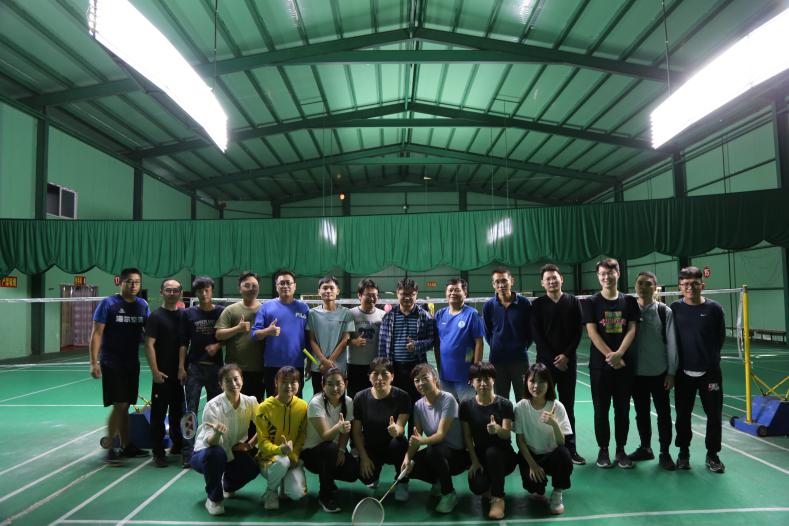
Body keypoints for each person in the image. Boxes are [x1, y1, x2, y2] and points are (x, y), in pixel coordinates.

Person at [89, 267, 151, 465]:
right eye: (129, 282)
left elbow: (150, 332)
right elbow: (97, 334)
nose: (133, 285)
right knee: (120, 404)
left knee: (125, 405)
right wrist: (93, 362)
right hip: (112, 362)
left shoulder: (142, 305)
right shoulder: (108, 304)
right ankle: (110, 447)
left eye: (137, 282)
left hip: (132, 362)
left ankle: (126, 445)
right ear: (120, 282)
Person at [582, 257, 639, 469]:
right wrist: (610, 356)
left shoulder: (629, 301)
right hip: (600, 366)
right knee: (601, 410)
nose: (607, 277)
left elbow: (632, 329)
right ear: (598, 277)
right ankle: (603, 449)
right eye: (603, 274)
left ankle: (621, 450)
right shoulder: (590, 302)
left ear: (618, 274)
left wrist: (620, 353)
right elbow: (592, 332)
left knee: (622, 410)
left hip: (624, 365)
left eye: (610, 273)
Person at [671, 266, 726, 473]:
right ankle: (683, 453)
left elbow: (720, 338)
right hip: (683, 373)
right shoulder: (674, 308)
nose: (690, 288)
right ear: (680, 286)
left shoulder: (715, 309)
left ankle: (712, 455)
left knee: (714, 415)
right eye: (685, 284)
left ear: (702, 285)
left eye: (694, 284)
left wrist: (708, 359)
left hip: (710, 373)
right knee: (683, 415)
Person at [531, 264, 585, 465]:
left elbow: (578, 332)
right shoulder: (538, 305)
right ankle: (544, 447)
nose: (552, 281)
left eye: (555, 277)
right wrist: (555, 359)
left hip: (568, 364)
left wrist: (566, 356)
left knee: (567, 407)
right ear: (542, 283)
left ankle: (571, 448)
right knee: (543, 406)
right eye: (548, 279)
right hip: (545, 366)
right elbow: (537, 335)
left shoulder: (573, 302)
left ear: (561, 279)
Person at [190, 364, 259, 516]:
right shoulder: (212, 406)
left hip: (232, 451)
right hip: (206, 454)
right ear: (221, 385)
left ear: (242, 380)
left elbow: (264, 426)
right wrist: (216, 433)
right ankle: (214, 499)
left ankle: (227, 485)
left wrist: (249, 445)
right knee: (216, 454)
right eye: (227, 381)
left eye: (236, 379)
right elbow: (211, 443)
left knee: (254, 468)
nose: (233, 384)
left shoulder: (251, 402)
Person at [401, 363, 469, 514]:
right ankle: (438, 480)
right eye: (417, 380)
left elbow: (440, 435)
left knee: (433, 450)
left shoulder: (448, 399)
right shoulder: (418, 405)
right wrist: (407, 458)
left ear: (435, 378)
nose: (421, 383)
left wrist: (422, 441)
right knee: (411, 465)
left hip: (457, 456)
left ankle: (449, 493)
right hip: (438, 452)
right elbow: (416, 436)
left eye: (425, 378)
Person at [628, 272, 679, 470]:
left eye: (648, 284)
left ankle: (665, 453)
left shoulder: (665, 311)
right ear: (635, 286)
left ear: (655, 287)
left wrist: (671, 372)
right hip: (636, 374)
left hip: (660, 373)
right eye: (640, 283)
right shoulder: (629, 310)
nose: (643, 287)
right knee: (641, 414)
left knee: (664, 415)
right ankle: (645, 448)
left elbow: (672, 344)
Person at [514, 363, 574, 515]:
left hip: (552, 456)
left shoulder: (557, 406)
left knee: (563, 454)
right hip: (531, 456)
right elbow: (520, 441)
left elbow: (561, 442)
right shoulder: (520, 407)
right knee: (535, 490)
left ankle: (557, 493)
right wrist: (533, 465)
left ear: (549, 383)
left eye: (541, 381)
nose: (536, 386)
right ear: (526, 382)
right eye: (532, 381)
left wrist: (554, 424)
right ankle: (538, 488)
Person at [460, 362, 517, 520]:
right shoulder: (466, 406)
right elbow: (467, 437)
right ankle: (490, 485)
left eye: (487, 379)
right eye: (478, 380)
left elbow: (506, 435)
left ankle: (498, 498)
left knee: (493, 452)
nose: (483, 383)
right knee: (477, 486)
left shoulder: (505, 404)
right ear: (471, 382)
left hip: (503, 456)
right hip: (480, 457)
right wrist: (474, 461)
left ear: (494, 380)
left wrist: (498, 429)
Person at [301, 368, 360, 513]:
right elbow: (326, 436)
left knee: (353, 472)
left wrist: (342, 450)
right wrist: (339, 427)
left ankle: (328, 477)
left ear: (346, 384)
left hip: (332, 450)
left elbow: (346, 431)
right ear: (323, 385)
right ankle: (324, 496)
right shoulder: (316, 403)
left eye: (339, 384)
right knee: (329, 448)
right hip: (311, 454)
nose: (335, 388)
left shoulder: (348, 402)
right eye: (330, 384)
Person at [351, 357, 410, 501]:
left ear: (392, 376)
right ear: (369, 376)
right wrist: (364, 457)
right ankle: (375, 475)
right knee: (365, 476)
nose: (379, 378)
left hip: (392, 447)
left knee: (399, 443)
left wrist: (396, 430)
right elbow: (357, 432)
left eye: (385, 373)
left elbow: (401, 427)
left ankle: (402, 481)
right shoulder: (360, 397)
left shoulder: (402, 396)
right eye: (375, 373)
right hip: (372, 446)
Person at [182, 276, 225, 465]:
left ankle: (212, 446)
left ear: (212, 291)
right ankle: (188, 452)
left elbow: (229, 336)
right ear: (196, 293)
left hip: (216, 369)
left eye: (207, 289)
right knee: (190, 411)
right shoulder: (189, 313)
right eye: (200, 290)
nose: (204, 293)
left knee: (215, 410)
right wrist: (181, 367)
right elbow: (183, 343)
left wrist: (218, 345)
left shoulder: (221, 312)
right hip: (194, 368)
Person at [144, 279, 186, 467]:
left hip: (179, 375)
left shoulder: (184, 315)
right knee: (159, 415)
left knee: (178, 412)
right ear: (162, 292)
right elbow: (149, 345)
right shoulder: (155, 317)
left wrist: (182, 368)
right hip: (162, 375)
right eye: (168, 290)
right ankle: (158, 452)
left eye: (175, 290)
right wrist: (155, 372)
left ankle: (177, 445)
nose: (172, 293)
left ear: (180, 293)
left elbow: (184, 343)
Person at [254, 366, 308, 510]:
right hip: (270, 460)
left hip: (292, 459)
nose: (289, 386)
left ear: (299, 384)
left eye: (293, 382)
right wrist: (279, 450)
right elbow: (262, 443)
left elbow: (302, 436)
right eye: (284, 382)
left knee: (297, 493)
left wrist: (294, 455)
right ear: (276, 383)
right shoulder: (264, 408)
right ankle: (271, 491)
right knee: (282, 462)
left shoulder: (303, 406)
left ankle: (284, 483)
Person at [377, 278, 435, 412]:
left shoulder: (425, 316)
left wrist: (417, 346)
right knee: (394, 407)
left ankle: (415, 426)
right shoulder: (389, 317)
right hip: (394, 369)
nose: (407, 297)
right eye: (403, 294)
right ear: (397, 293)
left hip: (417, 369)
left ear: (416, 294)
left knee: (417, 406)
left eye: (411, 294)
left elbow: (432, 340)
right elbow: (382, 345)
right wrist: (383, 369)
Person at [252, 270, 309, 398]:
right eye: (282, 283)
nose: (285, 286)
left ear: (295, 286)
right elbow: (254, 334)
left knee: (296, 402)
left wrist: (309, 364)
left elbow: (308, 337)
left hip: (296, 364)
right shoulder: (266, 307)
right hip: (272, 365)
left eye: (288, 283)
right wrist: (268, 331)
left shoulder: (304, 308)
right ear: (276, 286)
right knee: (273, 402)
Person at [483, 267, 533, 402]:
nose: (501, 285)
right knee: (500, 400)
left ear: (512, 281)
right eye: (497, 282)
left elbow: (530, 331)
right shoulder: (488, 306)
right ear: (493, 284)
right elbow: (488, 332)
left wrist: (521, 347)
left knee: (524, 400)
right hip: (497, 361)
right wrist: (496, 346)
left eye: (504, 281)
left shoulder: (524, 303)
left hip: (520, 361)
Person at [216, 272, 265, 403]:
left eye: (254, 285)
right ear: (239, 288)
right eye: (247, 285)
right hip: (234, 370)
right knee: (233, 405)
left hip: (259, 369)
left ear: (259, 288)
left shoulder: (266, 310)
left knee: (256, 407)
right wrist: (237, 328)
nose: (251, 289)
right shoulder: (230, 310)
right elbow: (219, 334)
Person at [435, 278, 484, 402]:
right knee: (449, 409)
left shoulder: (472, 314)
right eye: (450, 290)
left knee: (467, 409)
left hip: (465, 376)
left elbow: (479, 342)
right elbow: (437, 343)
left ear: (465, 293)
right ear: (446, 293)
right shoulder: (440, 314)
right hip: (445, 375)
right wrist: (439, 368)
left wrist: (475, 372)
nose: (453, 293)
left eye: (457, 290)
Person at [306, 276, 355, 395]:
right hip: (319, 366)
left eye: (331, 288)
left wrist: (330, 361)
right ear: (319, 291)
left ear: (337, 291)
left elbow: (345, 340)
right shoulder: (312, 314)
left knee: (338, 397)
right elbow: (312, 340)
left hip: (338, 367)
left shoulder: (346, 313)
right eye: (324, 288)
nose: (328, 291)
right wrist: (323, 361)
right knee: (318, 398)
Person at [347, 279, 385, 398]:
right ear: (359, 295)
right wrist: (353, 341)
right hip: (355, 365)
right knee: (355, 398)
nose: (372, 298)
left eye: (375, 295)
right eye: (368, 295)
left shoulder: (383, 315)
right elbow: (341, 340)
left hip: (375, 366)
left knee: (375, 398)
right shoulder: (350, 314)